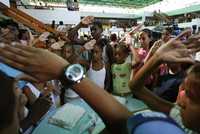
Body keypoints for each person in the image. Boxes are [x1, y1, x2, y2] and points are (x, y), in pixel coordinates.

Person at [0, 30, 200, 134]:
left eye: (190, 96)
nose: (179, 99)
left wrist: (64, 71)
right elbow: (135, 88)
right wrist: (157, 57)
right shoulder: (184, 118)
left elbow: (123, 124)